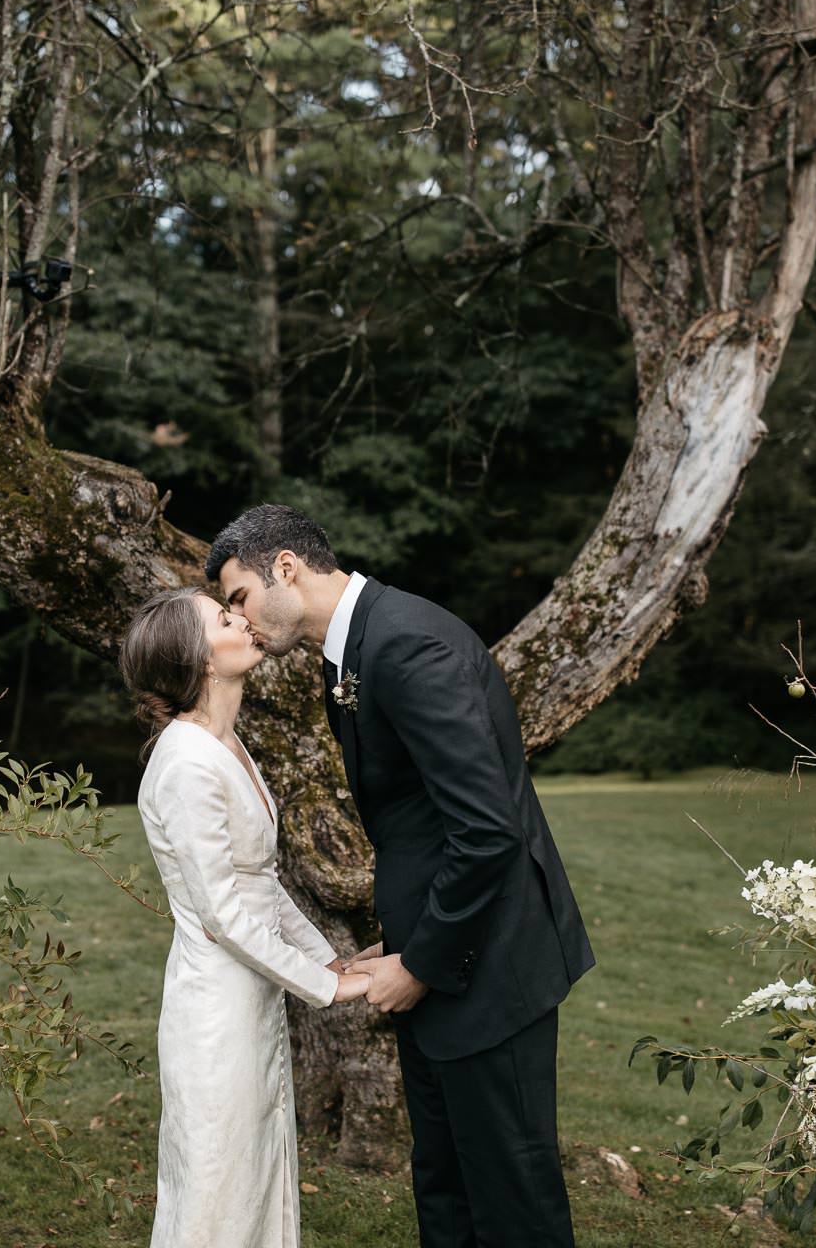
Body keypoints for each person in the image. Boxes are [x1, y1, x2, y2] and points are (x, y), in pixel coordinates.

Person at [209, 504, 595, 1248]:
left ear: (285, 567)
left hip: (489, 965)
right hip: (435, 954)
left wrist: (420, 964)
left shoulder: (408, 644)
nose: (241, 621)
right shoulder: (352, 652)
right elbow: (419, 823)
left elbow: (487, 831)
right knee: (446, 1188)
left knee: (512, 1201)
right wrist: (405, 948)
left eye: (240, 598)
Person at [120, 587, 373, 1248]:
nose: (245, 619)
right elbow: (224, 915)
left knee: (257, 1170)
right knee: (218, 1186)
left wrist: (328, 956)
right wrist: (328, 987)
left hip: (250, 994)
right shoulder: (185, 763)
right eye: (224, 618)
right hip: (216, 1010)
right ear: (199, 658)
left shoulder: (226, 742)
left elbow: (260, 881)